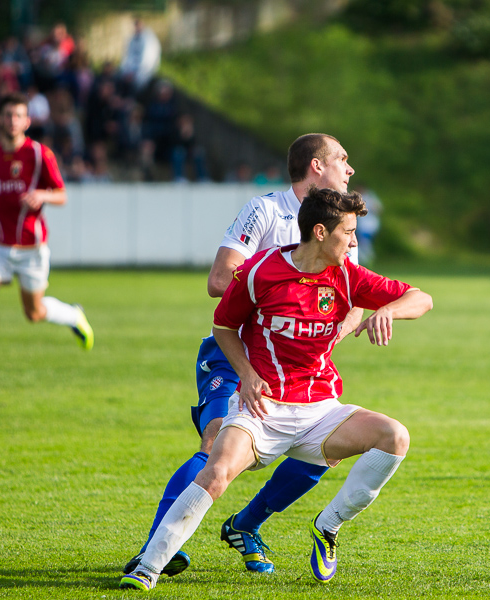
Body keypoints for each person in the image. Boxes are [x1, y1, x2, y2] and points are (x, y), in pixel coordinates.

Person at [120, 186, 433, 591]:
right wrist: (247, 374)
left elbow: (421, 298)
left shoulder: (348, 276)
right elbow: (223, 325)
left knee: (395, 437)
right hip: (262, 410)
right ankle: (147, 568)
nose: (355, 241)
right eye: (348, 232)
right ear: (320, 232)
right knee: (216, 472)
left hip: (320, 411)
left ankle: (328, 527)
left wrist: (388, 310)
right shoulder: (261, 272)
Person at [121, 133, 363, 578]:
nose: (350, 169)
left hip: (295, 364)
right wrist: (283, 289)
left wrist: (337, 328)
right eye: (342, 159)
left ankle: (245, 525)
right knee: (216, 440)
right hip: (235, 354)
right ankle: (154, 548)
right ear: (315, 166)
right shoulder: (267, 210)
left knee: (323, 450)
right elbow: (220, 278)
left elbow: (354, 292)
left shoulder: (340, 224)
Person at [0, 93, 93, 392]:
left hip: (31, 248)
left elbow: (61, 193)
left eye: (18, 115)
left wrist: (43, 195)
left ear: (27, 121)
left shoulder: (40, 155)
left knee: (33, 312)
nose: (12, 121)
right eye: (7, 115)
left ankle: (74, 315)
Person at [118, 18, 161, 96]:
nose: (136, 29)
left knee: (136, 86)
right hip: (131, 71)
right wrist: (126, 71)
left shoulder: (149, 39)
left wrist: (134, 74)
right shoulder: (132, 39)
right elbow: (126, 56)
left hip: (143, 72)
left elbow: (147, 60)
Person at [354, 185, 382, 266]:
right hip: (363, 225)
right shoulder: (360, 197)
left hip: (369, 225)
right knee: (363, 243)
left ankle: (368, 259)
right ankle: (366, 259)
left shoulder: (369, 197)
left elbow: (378, 209)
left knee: (364, 243)